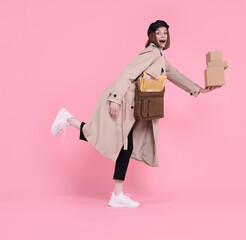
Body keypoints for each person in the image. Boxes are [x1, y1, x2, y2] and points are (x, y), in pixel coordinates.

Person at [51, 20, 219, 208]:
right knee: (113, 142)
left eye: (165, 32)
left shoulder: (160, 57)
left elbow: (175, 75)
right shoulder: (151, 53)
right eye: (158, 32)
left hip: (132, 108)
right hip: (122, 102)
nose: (163, 35)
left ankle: (116, 194)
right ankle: (68, 119)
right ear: (151, 36)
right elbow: (127, 73)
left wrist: (199, 90)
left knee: (118, 144)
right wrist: (115, 98)